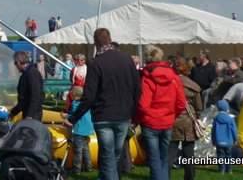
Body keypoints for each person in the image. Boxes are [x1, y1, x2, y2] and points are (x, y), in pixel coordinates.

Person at [64, 28, 141, 180]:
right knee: (114, 156)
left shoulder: (96, 63)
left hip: (104, 116)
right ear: (110, 39)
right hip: (122, 115)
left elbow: (89, 96)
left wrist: (72, 118)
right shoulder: (126, 60)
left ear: (95, 43)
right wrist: (132, 110)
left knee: (108, 157)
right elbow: (137, 89)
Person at [134, 44, 187, 180]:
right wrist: (172, 115)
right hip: (167, 121)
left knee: (155, 160)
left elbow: (143, 104)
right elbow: (181, 102)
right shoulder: (174, 76)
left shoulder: (147, 77)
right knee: (164, 158)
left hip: (151, 121)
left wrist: (138, 119)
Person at [168, 58, 202, 180]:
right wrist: (196, 117)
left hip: (173, 119)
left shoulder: (169, 83)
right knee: (189, 153)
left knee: (170, 152)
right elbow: (199, 108)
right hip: (188, 120)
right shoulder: (194, 86)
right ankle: (190, 177)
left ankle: (165, 176)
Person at [62, 86, 93, 175]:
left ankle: (76, 169)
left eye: (71, 94)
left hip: (79, 129)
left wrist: (65, 116)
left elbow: (73, 116)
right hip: (87, 129)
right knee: (85, 149)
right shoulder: (86, 104)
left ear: (74, 95)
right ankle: (88, 167)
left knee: (78, 150)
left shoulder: (74, 104)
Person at [11, 50, 44, 121]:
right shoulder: (25, 74)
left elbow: (35, 96)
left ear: (19, 61)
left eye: (15, 63)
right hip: (28, 112)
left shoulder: (32, 73)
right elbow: (23, 98)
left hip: (33, 115)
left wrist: (30, 115)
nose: (15, 65)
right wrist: (13, 112)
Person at [212, 100, 238, 174]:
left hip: (219, 141)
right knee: (228, 156)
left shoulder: (216, 119)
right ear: (227, 108)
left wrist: (213, 140)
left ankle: (221, 170)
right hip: (228, 141)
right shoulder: (230, 119)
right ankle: (229, 169)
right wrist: (235, 139)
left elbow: (213, 131)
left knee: (220, 156)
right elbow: (234, 130)